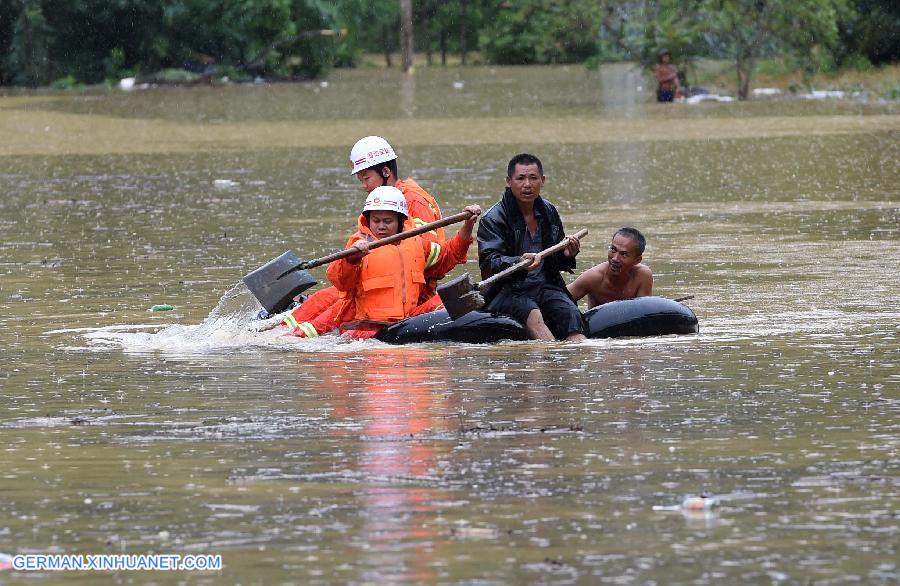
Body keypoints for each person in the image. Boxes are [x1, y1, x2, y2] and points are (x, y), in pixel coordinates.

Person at [283, 135, 447, 337]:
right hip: (384, 285)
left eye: (366, 178)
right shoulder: (390, 201)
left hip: (409, 294)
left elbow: (434, 255)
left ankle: (291, 338)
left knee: (332, 308)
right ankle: (279, 329)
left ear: (385, 172)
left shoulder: (413, 201)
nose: (364, 186)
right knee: (323, 299)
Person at [326, 186, 480, 338]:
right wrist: (351, 259)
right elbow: (339, 281)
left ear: (400, 221)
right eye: (376, 221)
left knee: (450, 297)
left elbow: (447, 256)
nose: (381, 227)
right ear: (368, 220)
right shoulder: (358, 245)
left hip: (409, 322)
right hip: (371, 328)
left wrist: (467, 226)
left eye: (387, 221)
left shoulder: (416, 242)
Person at [477, 153, 586, 342]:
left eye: (533, 178)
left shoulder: (549, 211)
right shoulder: (493, 219)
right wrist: (518, 262)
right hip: (508, 290)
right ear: (509, 181)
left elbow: (556, 261)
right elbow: (488, 266)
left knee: (570, 314)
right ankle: (549, 360)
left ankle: (574, 368)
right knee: (534, 316)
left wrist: (567, 254)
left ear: (542, 181)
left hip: (545, 286)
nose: (527, 184)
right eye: (520, 178)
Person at [567, 227, 653, 309]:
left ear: (637, 260)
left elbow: (644, 313)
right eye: (613, 249)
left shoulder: (643, 276)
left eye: (624, 254)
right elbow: (559, 299)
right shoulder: (593, 277)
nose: (615, 258)